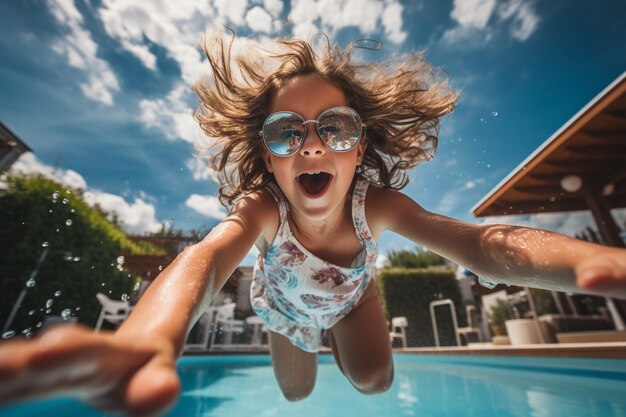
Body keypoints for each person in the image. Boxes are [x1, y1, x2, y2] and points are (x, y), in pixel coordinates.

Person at [1, 30, 625, 417]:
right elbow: (208, 260)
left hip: (351, 299)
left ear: (360, 148)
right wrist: (149, 337)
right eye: (286, 132)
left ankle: (358, 299)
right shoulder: (263, 208)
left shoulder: (375, 206)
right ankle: (306, 332)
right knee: (297, 396)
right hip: (287, 309)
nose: (311, 144)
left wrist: (586, 260)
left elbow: (475, 243)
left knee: (377, 382)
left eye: (336, 127)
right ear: (267, 157)